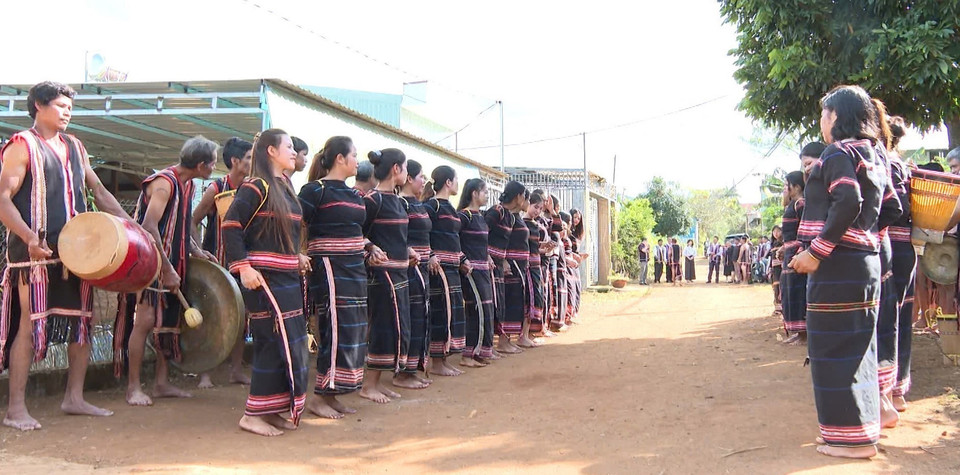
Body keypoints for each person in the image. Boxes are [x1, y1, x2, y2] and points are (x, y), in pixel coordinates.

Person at [0, 81, 132, 429]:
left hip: (78, 253)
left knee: (82, 324)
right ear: (39, 107)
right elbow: (2, 198)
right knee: (29, 324)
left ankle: (74, 398)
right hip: (35, 255)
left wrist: (132, 227)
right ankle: (15, 409)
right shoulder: (21, 146)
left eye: (70, 107)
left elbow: (99, 191)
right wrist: (29, 236)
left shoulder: (75, 146)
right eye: (60, 105)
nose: (67, 112)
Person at [790, 84, 900, 458]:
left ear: (835, 116)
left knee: (833, 350)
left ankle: (850, 441)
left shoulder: (838, 152)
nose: (821, 121)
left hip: (837, 268)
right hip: (865, 266)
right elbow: (891, 209)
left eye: (824, 114)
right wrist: (866, 239)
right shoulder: (876, 155)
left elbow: (848, 199)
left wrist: (819, 252)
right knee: (859, 348)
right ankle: (859, 431)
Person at [115, 136, 218, 407]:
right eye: (213, 163)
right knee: (145, 322)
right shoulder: (165, 183)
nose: (214, 167)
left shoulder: (188, 184)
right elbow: (150, 226)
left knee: (168, 323)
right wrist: (167, 268)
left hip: (172, 262)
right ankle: (133, 388)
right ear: (201, 164)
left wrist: (195, 250)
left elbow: (181, 224)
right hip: (150, 262)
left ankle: (161, 384)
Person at [222, 128, 309, 436]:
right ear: (271, 151)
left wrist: (295, 256)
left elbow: (277, 232)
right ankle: (252, 414)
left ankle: (271, 410)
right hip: (263, 278)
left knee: (290, 342)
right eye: (288, 146)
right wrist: (243, 267)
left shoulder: (284, 186)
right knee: (271, 341)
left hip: (285, 276)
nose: (293, 151)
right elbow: (231, 225)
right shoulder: (256, 186)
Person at [299, 136, 368, 419]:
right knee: (334, 329)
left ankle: (333, 394)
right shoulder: (314, 190)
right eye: (354, 154)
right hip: (329, 268)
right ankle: (319, 396)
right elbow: (295, 224)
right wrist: (297, 253)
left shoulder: (354, 195)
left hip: (354, 269)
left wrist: (371, 247)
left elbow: (357, 232)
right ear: (340, 158)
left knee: (352, 329)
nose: (357, 160)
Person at [191, 136, 253, 389]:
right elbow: (192, 220)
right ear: (235, 161)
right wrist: (198, 251)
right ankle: (205, 373)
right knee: (211, 317)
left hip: (243, 264)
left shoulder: (253, 188)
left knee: (240, 316)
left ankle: (235, 370)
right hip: (217, 265)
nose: (252, 162)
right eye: (248, 158)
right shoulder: (216, 188)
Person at [361, 149, 413, 402]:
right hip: (381, 277)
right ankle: (368, 385)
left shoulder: (399, 202)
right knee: (382, 328)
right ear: (396, 169)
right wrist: (370, 248)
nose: (406, 173)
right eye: (404, 168)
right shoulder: (373, 200)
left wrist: (409, 250)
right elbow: (356, 233)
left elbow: (399, 237)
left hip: (401, 274)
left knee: (395, 328)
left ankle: (378, 382)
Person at [426, 166, 471, 374]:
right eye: (456, 180)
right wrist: (430, 255)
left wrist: (462, 258)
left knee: (453, 313)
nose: (458, 184)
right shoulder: (432, 206)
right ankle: (436, 363)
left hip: (453, 269)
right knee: (442, 313)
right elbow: (422, 234)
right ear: (448, 183)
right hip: (438, 270)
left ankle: (443, 360)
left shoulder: (451, 209)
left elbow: (453, 239)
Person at [884, 116, 915, 413]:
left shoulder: (888, 164)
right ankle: (897, 390)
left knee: (888, 319)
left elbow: (896, 207)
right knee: (900, 318)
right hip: (905, 247)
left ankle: (890, 392)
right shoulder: (902, 165)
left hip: (892, 247)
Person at [399, 160, 433, 385]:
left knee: (421, 317)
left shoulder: (418, 204)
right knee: (410, 318)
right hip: (408, 269)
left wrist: (430, 256)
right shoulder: (400, 204)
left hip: (422, 268)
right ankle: (403, 373)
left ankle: (414, 368)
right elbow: (395, 235)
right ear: (409, 178)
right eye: (421, 176)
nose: (424, 181)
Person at [459, 179, 496, 363]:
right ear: (474, 193)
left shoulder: (480, 217)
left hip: (483, 270)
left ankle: (481, 350)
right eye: (485, 191)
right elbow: (454, 239)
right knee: (477, 309)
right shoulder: (464, 216)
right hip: (471, 271)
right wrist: (462, 259)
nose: (487, 195)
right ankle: (469, 354)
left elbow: (482, 243)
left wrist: (487, 256)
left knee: (487, 308)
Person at [485, 182, 522, 351]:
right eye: (523, 196)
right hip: (488, 263)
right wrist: (485, 255)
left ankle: (502, 342)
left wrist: (505, 259)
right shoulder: (496, 211)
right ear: (517, 197)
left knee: (500, 303)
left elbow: (504, 242)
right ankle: (489, 346)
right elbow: (481, 233)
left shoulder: (511, 217)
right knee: (491, 304)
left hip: (499, 263)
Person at [779, 169, 812, 344]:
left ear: (796, 187)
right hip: (790, 253)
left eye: (786, 185)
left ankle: (803, 333)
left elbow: (804, 230)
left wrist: (800, 250)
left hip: (797, 253)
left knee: (798, 291)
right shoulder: (791, 205)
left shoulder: (801, 204)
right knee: (789, 291)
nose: (785, 188)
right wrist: (784, 248)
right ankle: (797, 332)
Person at [522, 193, 549, 339]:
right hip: (527, 267)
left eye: (540, 208)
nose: (537, 211)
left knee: (536, 299)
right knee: (528, 299)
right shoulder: (522, 223)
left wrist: (545, 248)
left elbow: (534, 247)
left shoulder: (536, 225)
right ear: (528, 204)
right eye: (535, 207)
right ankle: (523, 335)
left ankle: (527, 334)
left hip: (536, 265)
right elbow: (523, 247)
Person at [769, 225, 784, 315]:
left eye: (778, 231)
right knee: (776, 288)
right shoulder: (773, 244)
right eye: (774, 232)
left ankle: (783, 307)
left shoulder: (783, 243)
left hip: (782, 268)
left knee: (782, 288)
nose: (776, 233)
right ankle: (777, 308)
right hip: (775, 270)